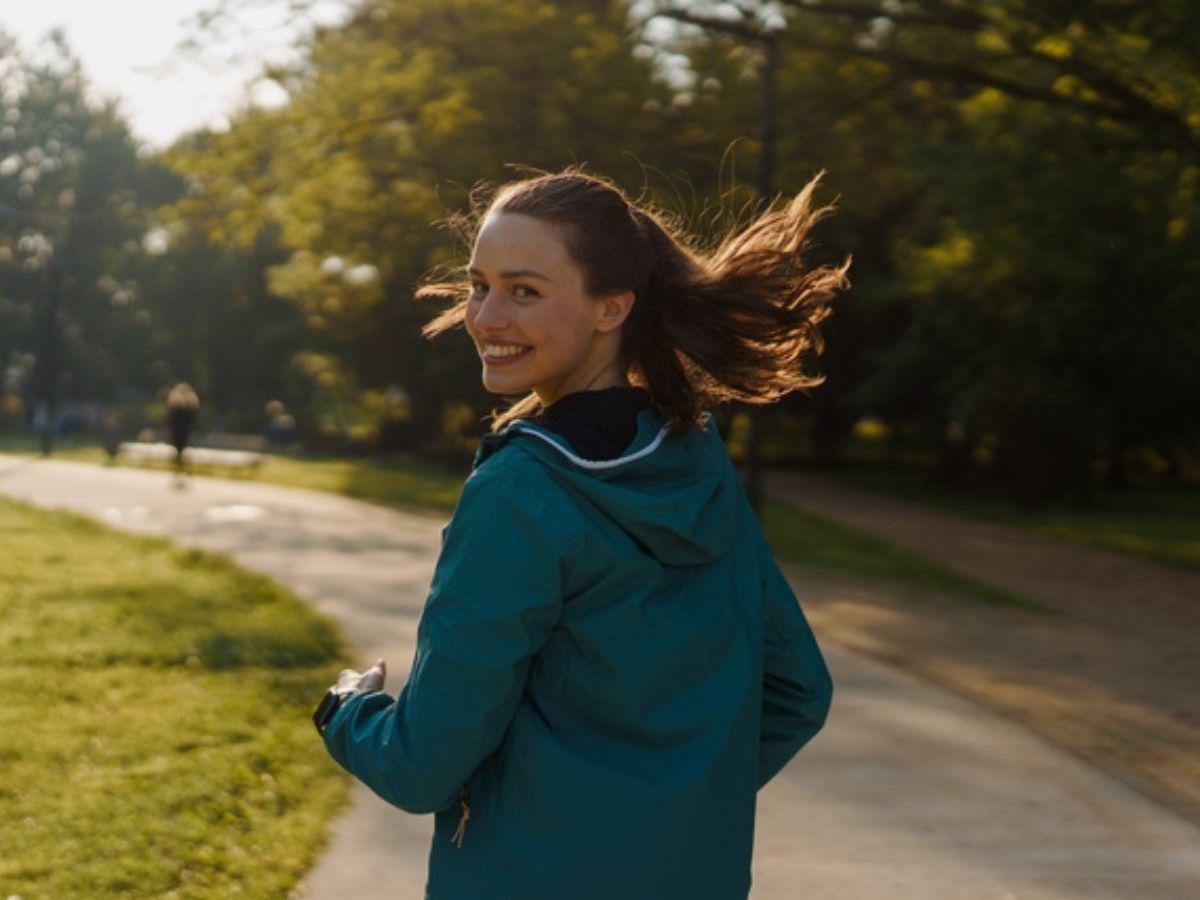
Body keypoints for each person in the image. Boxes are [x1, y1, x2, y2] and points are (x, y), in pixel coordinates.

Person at [315, 169, 850, 899]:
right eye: (478, 285)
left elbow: (421, 766)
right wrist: (660, 809)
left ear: (612, 308)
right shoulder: (695, 460)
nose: (485, 317)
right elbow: (797, 692)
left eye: (524, 292)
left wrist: (345, 710)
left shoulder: (518, 493)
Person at [166, 382, 199, 479]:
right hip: (180, 432)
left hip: (183, 432)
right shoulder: (179, 406)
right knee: (179, 452)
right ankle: (181, 470)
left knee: (181, 452)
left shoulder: (186, 406)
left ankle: (182, 470)